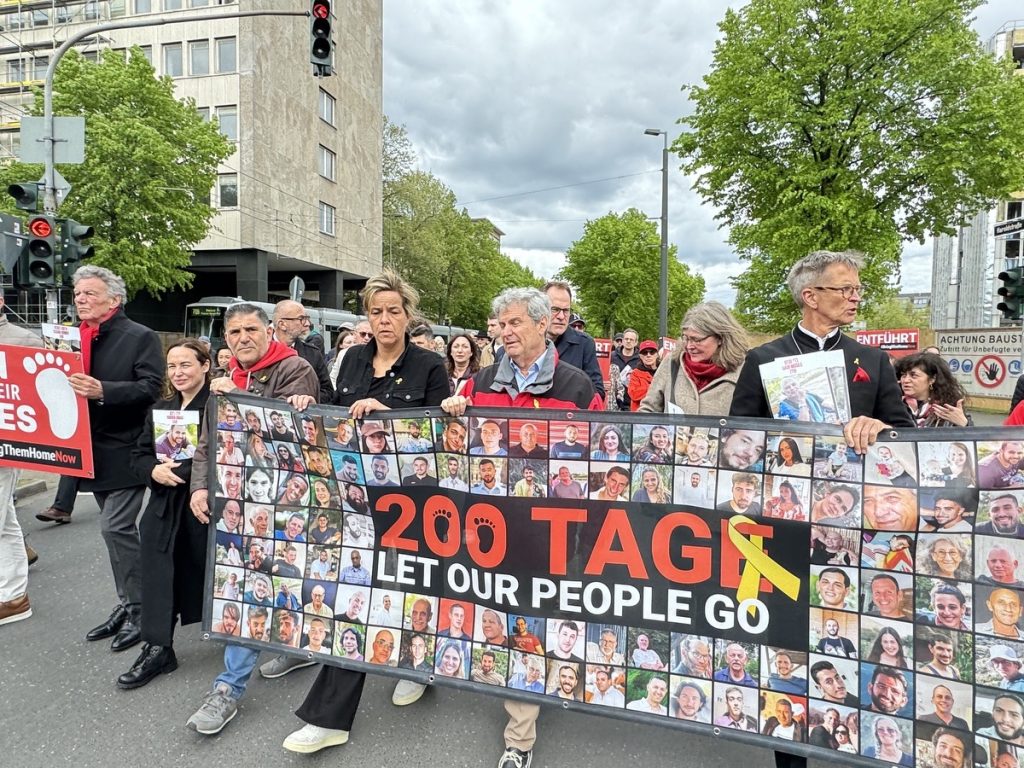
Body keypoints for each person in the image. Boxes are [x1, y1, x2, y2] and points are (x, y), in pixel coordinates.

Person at [281, 270, 448, 752]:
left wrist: (389, 416)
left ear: (408, 314)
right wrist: (312, 402)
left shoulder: (429, 366)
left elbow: (441, 435)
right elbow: (335, 414)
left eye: (393, 311)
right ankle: (329, 718)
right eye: (376, 312)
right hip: (355, 503)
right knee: (354, 600)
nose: (384, 320)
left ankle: (417, 664)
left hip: (412, 505)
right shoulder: (352, 358)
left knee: (414, 589)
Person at [440, 285, 601, 768]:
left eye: (514, 323)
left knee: (535, 616)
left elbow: (599, 460)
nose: (505, 332)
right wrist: (455, 412)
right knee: (513, 616)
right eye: (500, 324)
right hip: (493, 525)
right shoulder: (481, 380)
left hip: (553, 528)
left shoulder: (576, 385)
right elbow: (457, 449)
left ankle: (526, 721)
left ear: (542, 323)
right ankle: (523, 726)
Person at [185, 302, 318, 735]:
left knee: (287, 581)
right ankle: (229, 688)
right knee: (244, 588)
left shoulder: (295, 368)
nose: (244, 338)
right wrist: (200, 486)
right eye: (235, 332)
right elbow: (209, 442)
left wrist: (236, 397)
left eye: (251, 330)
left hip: (288, 503)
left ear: (270, 332)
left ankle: (298, 646)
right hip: (238, 505)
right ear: (227, 339)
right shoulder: (226, 381)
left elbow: (278, 431)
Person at [729, 251, 914, 453]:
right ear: (810, 297)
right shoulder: (763, 359)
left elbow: (905, 431)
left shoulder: (874, 359)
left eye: (858, 289)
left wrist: (881, 428)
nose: (856, 298)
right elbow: (738, 430)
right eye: (846, 289)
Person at [69, 267, 164, 653]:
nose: (80, 299)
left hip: (126, 446)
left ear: (114, 299)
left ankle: (144, 613)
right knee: (115, 536)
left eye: (89, 293)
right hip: (91, 449)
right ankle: (128, 604)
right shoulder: (74, 337)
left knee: (115, 529)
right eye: (77, 293)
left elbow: (152, 387)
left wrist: (103, 390)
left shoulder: (139, 336)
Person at [115, 339, 213, 687]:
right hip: (162, 506)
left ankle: (238, 632)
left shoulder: (219, 405)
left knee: (210, 571)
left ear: (205, 365)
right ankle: (158, 647)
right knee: (158, 574)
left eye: (186, 364)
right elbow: (138, 455)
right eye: (172, 366)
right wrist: (152, 472)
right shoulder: (162, 408)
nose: (178, 372)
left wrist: (186, 474)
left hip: (201, 506)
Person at [0, 296, 44, 625]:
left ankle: (13, 597)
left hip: (5, 447)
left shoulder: (22, 339)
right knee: (6, 521)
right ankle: (14, 597)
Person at [541, 280, 605, 398]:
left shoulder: (584, 344)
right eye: (555, 309)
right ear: (540, 309)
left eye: (566, 311)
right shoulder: (524, 343)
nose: (561, 316)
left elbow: (598, 392)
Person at [273, 300, 334, 403]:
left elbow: (328, 391)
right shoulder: (260, 352)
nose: (307, 324)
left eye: (307, 319)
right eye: (301, 319)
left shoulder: (313, 353)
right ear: (282, 324)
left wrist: (312, 400)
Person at [895, 351, 970, 427]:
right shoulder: (893, 405)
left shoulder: (949, 408)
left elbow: (973, 437)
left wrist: (964, 424)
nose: (906, 380)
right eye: (903, 375)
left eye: (913, 375)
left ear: (932, 379)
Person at [626, 340, 659, 410]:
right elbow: (634, 394)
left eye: (652, 352)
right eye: (644, 353)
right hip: (641, 413)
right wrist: (655, 387)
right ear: (640, 356)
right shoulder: (635, 373)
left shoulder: (664, 372)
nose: (648, 355)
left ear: (657, 354)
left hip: (661, 413)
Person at [611, 328, 639, 410]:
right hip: (613, 403)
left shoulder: (641, 360)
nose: (628, 341)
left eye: (631, 339)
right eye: (626, 339)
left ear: (636, 342)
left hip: (632, 403)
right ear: (622, 341)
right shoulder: (612, 356)